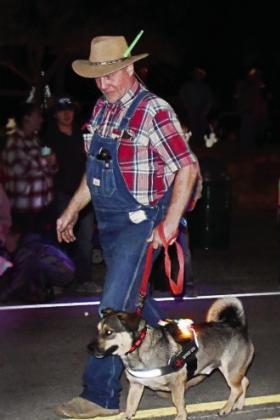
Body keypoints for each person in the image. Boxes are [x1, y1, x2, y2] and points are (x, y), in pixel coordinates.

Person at [55, 35, 197, 418]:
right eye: (98, 77)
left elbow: (187, 166)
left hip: (142, 223)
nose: (105, 84)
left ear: (130, 67)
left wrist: (168, 224)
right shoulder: (101, 110)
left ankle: (98, 395)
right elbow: (94, 172)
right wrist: (72, 210)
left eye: (112, 74)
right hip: (110, 225)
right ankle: (181, 356)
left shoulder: (154, 110)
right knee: (137, 305)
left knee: (114, 308)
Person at [43, 96, 97, 293]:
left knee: (85, 240)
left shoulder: (83, 134)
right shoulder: (48, 137)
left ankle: (85, 280)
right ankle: (59, 280)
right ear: (55, 114)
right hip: (61, 194)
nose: (67, 114)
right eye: (62, 110)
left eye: (70, 110)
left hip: (84, 195)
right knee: (59, 238)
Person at [1, 103, 57, 235]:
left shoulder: (36, 140)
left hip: (42, 207)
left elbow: (50, 169)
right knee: (25, 249)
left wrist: (53, 163)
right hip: (24, 211)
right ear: (26, 119)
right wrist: (46, 161)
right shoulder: (14, 141)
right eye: (37, 116)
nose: (41, 120)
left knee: (40, 247)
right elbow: (18, 169)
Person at [179, 66, 213, 149]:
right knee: (192, 127)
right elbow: (182, 95)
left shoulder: (205, 87)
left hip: (201, 109)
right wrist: (187, 106)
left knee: (201, 127)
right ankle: (192, 145)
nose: (198, 76)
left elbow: (209, 99)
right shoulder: (188, 85)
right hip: (191, 109)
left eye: (200, 74)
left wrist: (206, 110)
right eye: (196, 74)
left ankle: (200, 144)